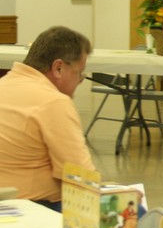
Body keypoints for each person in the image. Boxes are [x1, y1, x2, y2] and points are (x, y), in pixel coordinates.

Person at [0, 26, 95, 211]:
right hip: (30, 208)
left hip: (8, 202)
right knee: (133, 211)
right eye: (79, 73)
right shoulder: (53, 102)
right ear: (58, 67)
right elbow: (79, 176)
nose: (79, 82)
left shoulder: (4, 84)